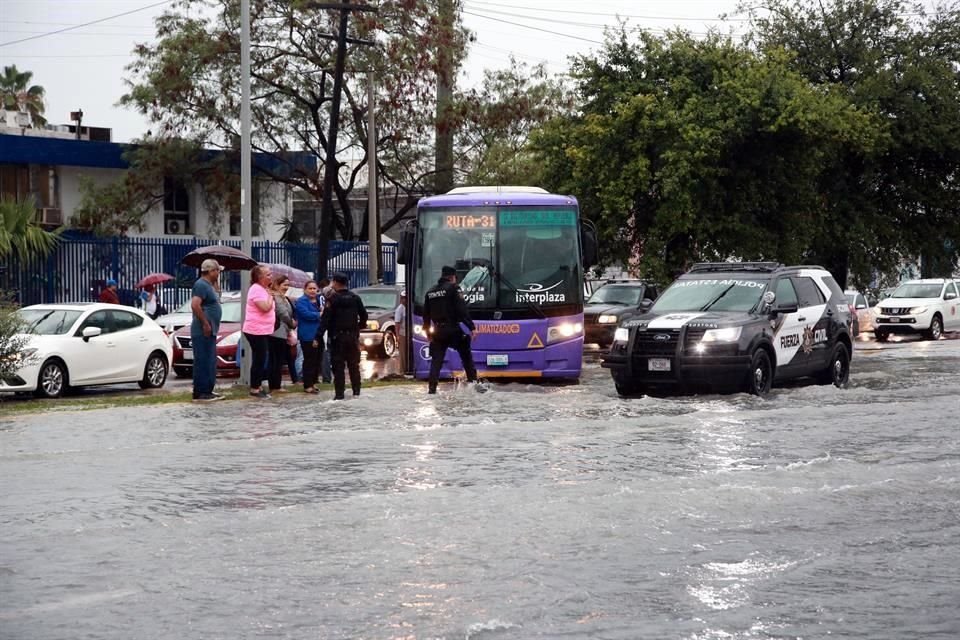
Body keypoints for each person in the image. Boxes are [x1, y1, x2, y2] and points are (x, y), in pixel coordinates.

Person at [423, 265, 478, 394]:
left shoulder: (430, 292)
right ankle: (473, 383)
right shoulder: (454, 289)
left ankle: (432, 390)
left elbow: (426, 314)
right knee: (466, 354)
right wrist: (472, 327)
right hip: (453, 329)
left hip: (438, 331)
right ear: (452, 277)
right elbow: (462, 310)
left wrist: (427, 331)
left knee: (436, 361)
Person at [320, 272, 368, 400]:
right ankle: (356, 392)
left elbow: (325, 319)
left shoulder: (332, 299)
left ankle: (339, 394)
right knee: (354, 366)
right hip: (352, 337)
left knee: (338, 366)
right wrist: (359, 326)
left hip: (337, 338)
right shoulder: (355, 298)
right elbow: (364, 315)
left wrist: (318, 335)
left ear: (335, 282)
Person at [190, 259, 223, 402]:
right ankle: (201, 391)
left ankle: (208, 389)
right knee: (202, 360)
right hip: (203, 330)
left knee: (210, 360)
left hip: (211, 329)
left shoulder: (209, 285)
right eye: (217, 271)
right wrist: (205, 323)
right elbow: (195, 305)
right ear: (210, 271)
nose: (219, 273)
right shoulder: (201, 285)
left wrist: (216, 284)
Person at [242, 264, 275, 399]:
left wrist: (270, 293)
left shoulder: (264, 289)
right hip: (255, 330)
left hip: (263, 329)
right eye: (268, 274)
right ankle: (254, 388)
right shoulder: (256, 289)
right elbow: (265, 307)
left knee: (261, 358)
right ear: (260, 277)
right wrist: (270, 297)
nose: (271, 276)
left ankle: (258, 385)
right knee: (259, 359)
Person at [268, 274, 297, 393]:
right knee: (276, 360)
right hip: (277, 331)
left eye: (288, 285)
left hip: (282, 331)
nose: (286, 287)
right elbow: (283, 313)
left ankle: (275, 384)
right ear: (277, 285)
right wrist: (291, 324)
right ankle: (275, 386)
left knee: (278, 360)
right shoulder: (277, 298)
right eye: (284, 285)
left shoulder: (283, 297)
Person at [295, 280, 324, 393]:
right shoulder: (302, 301)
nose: (312, 291)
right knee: (309, 360)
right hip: (307, 335)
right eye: (310, 288)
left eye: (314, 288)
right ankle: (307, 385)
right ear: (305, 289)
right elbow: (305, 314)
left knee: (317, 360)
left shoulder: (318, 301)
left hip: (318, 334)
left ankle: (312, 382)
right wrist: (319, 314)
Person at [394, 289, 408, 375]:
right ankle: (402, 371)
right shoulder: (399, 309)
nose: (404, 300)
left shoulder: (410, 308)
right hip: (402, 334)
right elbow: (397, 323)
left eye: (405, 298)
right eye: (403, 298)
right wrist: (397, 335)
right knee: (402, 353)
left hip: (410, 333)